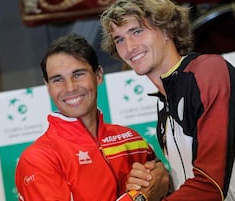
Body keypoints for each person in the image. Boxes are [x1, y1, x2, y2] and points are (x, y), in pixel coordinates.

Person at [100, 0, 235, 201]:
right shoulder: (164, 101)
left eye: (137, 31)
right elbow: (191, 182)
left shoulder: (208, 72)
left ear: (167, 29)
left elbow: (210, 185)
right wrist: (159, 182)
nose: (129, 47)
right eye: (119, 39)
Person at [15, 33, 165, 201]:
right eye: (58, 80)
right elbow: (147, 193)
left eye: (78, 74)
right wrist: (140, 197)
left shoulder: (130, 140)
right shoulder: (38, 159)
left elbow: (164, 187)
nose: (70, 87)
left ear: (98, 75)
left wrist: (162, 177)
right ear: (47, 86)